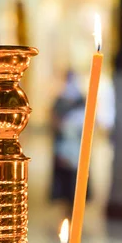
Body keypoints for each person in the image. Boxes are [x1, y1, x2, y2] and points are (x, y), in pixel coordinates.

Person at [50, 70, 90, 214]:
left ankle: (76, 201)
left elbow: (89, 120)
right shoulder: (60, 100)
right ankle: (64, 199)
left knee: (77, 175)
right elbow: (54, 119)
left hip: (77, 144)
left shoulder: (82, 100)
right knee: (65, 174)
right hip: (63, 143)